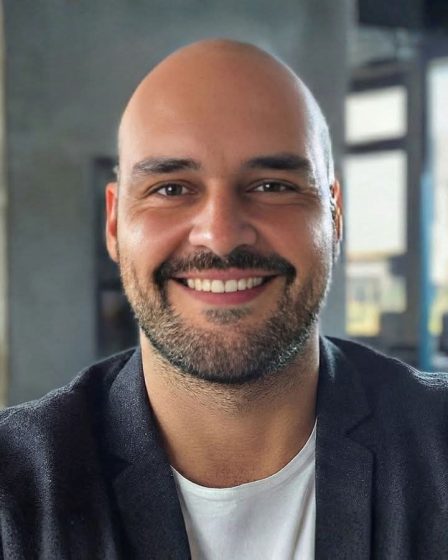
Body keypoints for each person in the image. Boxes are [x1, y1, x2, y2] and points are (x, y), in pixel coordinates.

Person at [0, 39, 447, 560]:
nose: (220, 235)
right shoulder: (15, 490)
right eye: (171, 189)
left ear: (334, 214)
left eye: (272, 186)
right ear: (115, 222)